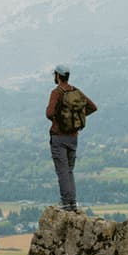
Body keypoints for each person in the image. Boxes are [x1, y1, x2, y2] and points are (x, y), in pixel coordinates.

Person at [46, 64, 97, 212]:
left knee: (62, 171)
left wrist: (61, 120)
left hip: (58, 137)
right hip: (73, 137)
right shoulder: (76, 91)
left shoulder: (57, 92)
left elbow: (49, 113)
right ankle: (72, 203)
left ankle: (66, 204)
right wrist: (76, 119)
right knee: (69, 171)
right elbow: (92, 107)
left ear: (57, 76)